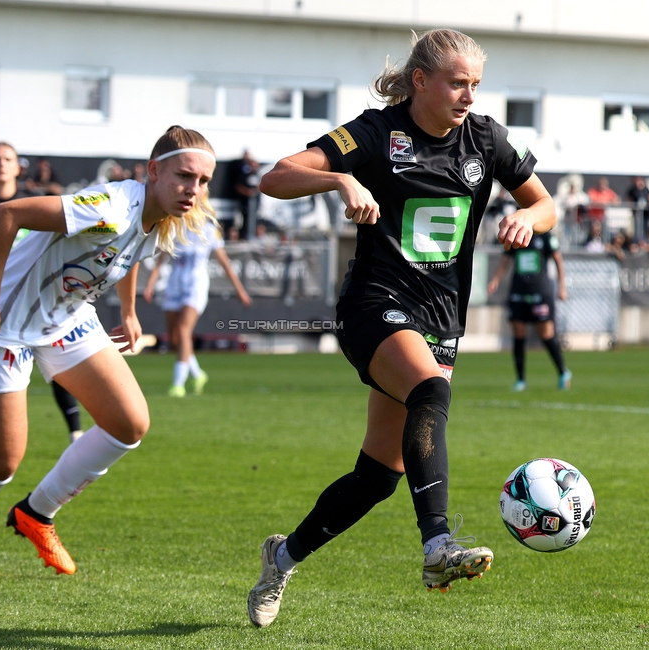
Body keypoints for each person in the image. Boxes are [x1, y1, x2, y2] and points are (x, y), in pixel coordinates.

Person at [246, 29, 556, 628]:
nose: (468, 95)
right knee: (431, 392)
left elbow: (546, 204)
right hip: (375, 305)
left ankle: (280, 558)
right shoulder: (373, 132)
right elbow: (276, 177)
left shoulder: (486, 138)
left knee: (378, 478)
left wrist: (528, 218)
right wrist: (340, 178)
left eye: (475, 85)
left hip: (441, 317)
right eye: (457, 82)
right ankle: (437, 546)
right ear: (421, 81)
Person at [0, 126, 218, 580]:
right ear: (154, 171)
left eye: (203, 181)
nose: (194, 190)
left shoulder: (160, 215)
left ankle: (37, 513)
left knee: (130, 423)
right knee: (1, 461)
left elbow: (125, 253)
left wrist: (128, 309)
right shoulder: (109, 207)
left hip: (66, 316)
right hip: (6, 320)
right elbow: (9, 214)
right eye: (185, 176)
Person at [0, 142, 85, 455]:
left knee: (58, 364)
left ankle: (76, 431)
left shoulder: (32, 201)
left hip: (39, 296)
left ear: (17, 167)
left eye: (7, 159)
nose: (1, 164)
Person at [143, 221, 251, 396]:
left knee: (183, 330)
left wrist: (240, 290)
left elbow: (224, 262)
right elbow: (161, 260)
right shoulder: (173, 227)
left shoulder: (209, 230)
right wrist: (150, 285)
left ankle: (178, 385)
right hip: (174, 285)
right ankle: (198, 374)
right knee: (175, 339)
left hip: (196, 286)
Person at [487, 231, 569, 392]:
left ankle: (563, 372)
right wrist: (495, 280)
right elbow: (506, 259)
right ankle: (520, 380)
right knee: (518, 333)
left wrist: (562, 287)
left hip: (540, 290)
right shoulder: (517, 233)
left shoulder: (546, 236)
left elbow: (558, 259)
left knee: (546, 334)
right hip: (518, 290)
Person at [227, 149, 261, 237]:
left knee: (254, 220)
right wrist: (248, 192)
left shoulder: (259, 176)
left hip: (255, 205)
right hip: (244, 204)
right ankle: (243, 236)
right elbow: (238, 186)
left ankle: (252, 236)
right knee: (243, 220)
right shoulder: (244, 175)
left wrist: (256, 190)